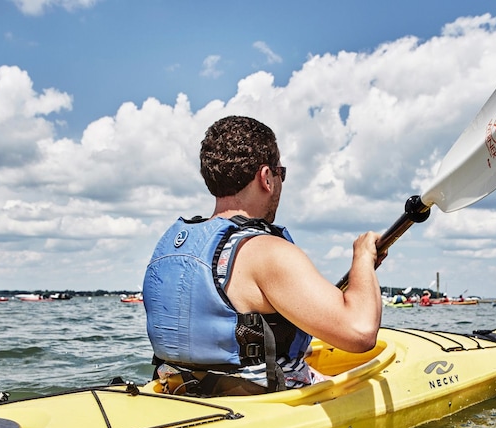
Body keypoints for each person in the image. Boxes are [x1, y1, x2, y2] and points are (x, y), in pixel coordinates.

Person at [143, 116, 383, 396]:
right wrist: (363, 258)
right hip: (259, 405)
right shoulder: (266, 251)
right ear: (266, 177)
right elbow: (360, 332)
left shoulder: (175, 248)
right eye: (281, 172)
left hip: (180, 393)